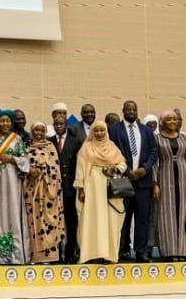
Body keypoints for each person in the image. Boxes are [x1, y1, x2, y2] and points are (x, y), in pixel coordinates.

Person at [108, 100, 157, 262]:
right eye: (128, 109)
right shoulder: (114, 130)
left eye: (133, 109)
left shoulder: (146, 131)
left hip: (143, 181)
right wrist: (127, 170)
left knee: (142, 218)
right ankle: (122, 250)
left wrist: (145, 169)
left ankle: (141, 252)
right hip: (124, 180)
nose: (131, 111)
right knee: (123, 218)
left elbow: (153, 151)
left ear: (137, 111)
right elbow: (112, 151)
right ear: (123, 111)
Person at [74, 121, 127, 263]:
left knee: (110, 221)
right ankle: (92, 255)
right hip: (92, 189)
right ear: (92, 132)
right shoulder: (86, 147)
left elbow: (122, 164)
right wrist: (81, 190)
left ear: (106, 131)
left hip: (110, 189)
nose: (99, 133)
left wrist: (114, 168)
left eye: (102, 130)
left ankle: (109, 255)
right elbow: (80, 169)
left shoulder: (112, 147)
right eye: (96, 130)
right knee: (92, 220)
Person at [153, 109, 186, 260]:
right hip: (165, 178)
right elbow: (155, 162)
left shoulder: (184, 138)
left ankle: (183, 251)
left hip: (184, 178)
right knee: (167, 214)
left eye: (174, 119)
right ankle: (170, 251)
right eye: (169, 119)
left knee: (184, 212)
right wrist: (155, 183)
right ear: (162, 122)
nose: (172, 122)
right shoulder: (157, 139)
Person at [0, 110, 30, 264]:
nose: (6, 124)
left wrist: (11, 158)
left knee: (13, 210)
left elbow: (25, 160)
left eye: (8, 121)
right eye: (2, 121)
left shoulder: (16, 138)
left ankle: (17, 255)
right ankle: (1, 254)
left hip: (13, 180)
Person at [25, 121, 64, 264]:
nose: (39, 133)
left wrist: (42, 171)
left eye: (42, 130)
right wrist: (30, 172)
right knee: (33, 222)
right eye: (36, 130)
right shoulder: (26, 148)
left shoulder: (51, 147)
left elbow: (56, 171)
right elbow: (22, 169)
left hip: (49, 193)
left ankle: (50, 256)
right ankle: (35, 256)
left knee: (49, 222)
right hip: (32, 193)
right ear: (32, 131)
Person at [50, 112, 82, 263]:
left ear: (66, 125)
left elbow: (79, 165)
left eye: (61, 124)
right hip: (54, 190)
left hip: (70, 189)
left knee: (71, 222)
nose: (59, 126)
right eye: (56, 124)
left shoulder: (75, 141)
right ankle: (56, 254)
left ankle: (70, 254)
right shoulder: (49, 142)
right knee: (54, 223)